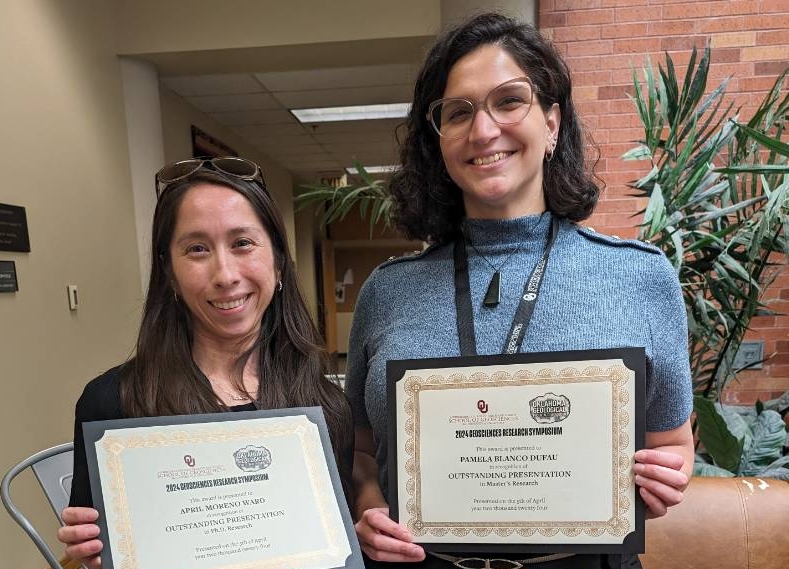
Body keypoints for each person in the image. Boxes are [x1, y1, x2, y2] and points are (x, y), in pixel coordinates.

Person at [345, 13, 694, 569]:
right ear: (438, 142)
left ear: (552, 122)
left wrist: (668, 475)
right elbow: (364, 455)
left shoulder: (640, 278)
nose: (483, 131)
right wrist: (368, 507)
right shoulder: (388, 292)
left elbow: (674, 443)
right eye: (458, 112)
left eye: (509, 101)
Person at [57, 157, 353, 568]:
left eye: (242, 243)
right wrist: (85, 558)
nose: (225, 274)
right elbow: (82, 560)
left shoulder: (325, 408)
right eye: (197, 249)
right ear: (170, 273)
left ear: (279, 261)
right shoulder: (112, 403)